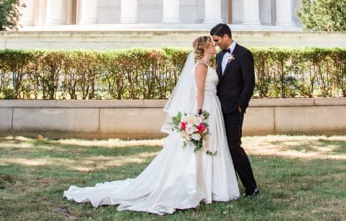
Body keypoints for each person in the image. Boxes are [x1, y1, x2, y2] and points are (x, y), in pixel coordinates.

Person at [63, 35, 239, 215]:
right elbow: (199, 90)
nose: (214, 46)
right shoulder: (201, 67)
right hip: (205, 107)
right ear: (205, 48)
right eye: (211, 44)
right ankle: (200, 185)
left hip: (213, 105)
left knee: (210, 145)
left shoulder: (210, 65)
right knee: (198, 147)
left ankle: (210, 185)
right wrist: (199, 113)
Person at [211, 22, 259, 197]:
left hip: (234, 109)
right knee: (222, 147)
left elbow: (249, 82)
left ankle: (251, 186)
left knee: (234, 146)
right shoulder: (218, 57)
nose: (215, 44)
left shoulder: (243, 54)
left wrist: (241, 105)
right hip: (218, 109)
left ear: (226, 36)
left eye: (217, 40)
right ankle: (227, 186)